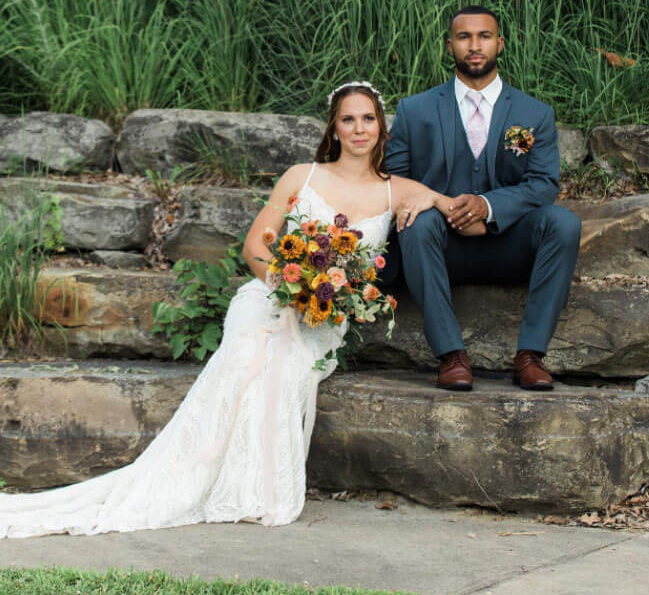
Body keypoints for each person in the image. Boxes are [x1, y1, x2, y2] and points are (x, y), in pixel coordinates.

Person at [0, 81, 471, 538]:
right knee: (246, 358)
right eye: (348, 119)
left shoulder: (396, 190)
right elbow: (254, 248)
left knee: (286, 367)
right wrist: (293, 290)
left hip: (323, 319)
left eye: (368, 118)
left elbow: (458, 211)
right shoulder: (301, 177)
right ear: (334, 128)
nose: (359, 128)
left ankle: (257, 490)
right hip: (271, 297)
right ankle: (197, 480)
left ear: (381, 127)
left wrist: (428, 199)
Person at [385, 5, 581, 392]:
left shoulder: (533, 113)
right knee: (415, 220)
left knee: (563, 223)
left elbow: (543, 184)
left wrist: (488, 206)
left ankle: (530, 356)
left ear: (500, 44)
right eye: (464, 37)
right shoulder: (415, 110)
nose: (474, 46)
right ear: (449, 46)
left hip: (508, 245)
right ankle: (451, 355)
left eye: (484, 36)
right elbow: (393, 180)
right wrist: (436, 201)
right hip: (437, 248)